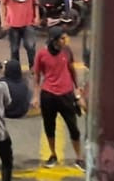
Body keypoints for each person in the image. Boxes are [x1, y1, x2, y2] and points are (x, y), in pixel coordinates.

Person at [32, 27, 85, 170]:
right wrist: (36, 96)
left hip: (66, 94)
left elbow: (72, 69)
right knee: (49, 127)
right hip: (48, 95)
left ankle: (79, 158)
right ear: (54, 40)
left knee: (73, 128)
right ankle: (53, 154)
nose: (65, 40)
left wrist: (77, 90)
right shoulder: (41, 54)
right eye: (62, 38)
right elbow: (37, 76)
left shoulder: (67, 51)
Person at [0, 0, 40, 68]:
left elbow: (35, 3)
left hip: (28, 23)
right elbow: (2, 4)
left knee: (31, 47)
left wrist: (37, 17)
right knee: (14, 49)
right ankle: (16, 70)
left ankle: (33, 68)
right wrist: (3, 21)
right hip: (13, 24)